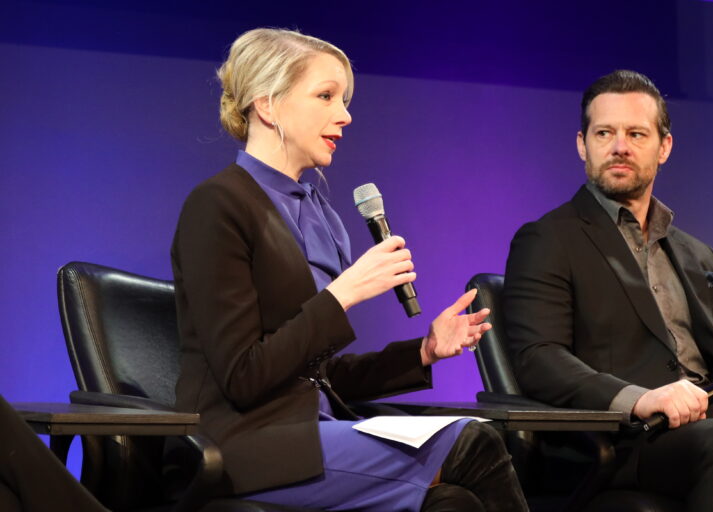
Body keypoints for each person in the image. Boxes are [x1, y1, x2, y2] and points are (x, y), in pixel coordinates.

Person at [171, 28, 528, 511]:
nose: (345, 115)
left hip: (317, 431)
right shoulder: (218, 205)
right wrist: (342, 294)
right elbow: (244, 376)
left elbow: (318, 376)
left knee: (452, 502)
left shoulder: (322, 215)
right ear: (268, 106)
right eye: (326, 96)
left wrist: (423, 352)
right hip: (242, 444)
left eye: (344, 100)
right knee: (473, 443)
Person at [503, 69, 713, 510]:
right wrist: (641, 399)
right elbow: (539, 358)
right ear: (582, 144)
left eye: (636, 134)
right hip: (624, 439)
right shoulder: (547, 239)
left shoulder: (699, 255)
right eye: (604, 132)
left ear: (664, 147)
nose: (619, 146)